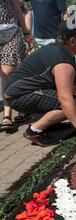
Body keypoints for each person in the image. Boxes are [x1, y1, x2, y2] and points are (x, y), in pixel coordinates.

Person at [4, 21, 76, 146]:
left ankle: (50, 125)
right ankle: (34, 130)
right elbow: (65, 99)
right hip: (19, 95)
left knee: (70, 96)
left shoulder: (58, 49)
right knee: (75, 103)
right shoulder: (63, 61)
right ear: (72, 41)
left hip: (15, 92)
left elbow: (58, 75)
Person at [1, 0, 29, 133]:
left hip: (10, 32)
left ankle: (7, 114)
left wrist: (26, 31)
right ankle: (23, 105)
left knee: (7, 71)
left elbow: (17, 9)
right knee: (9, 75)